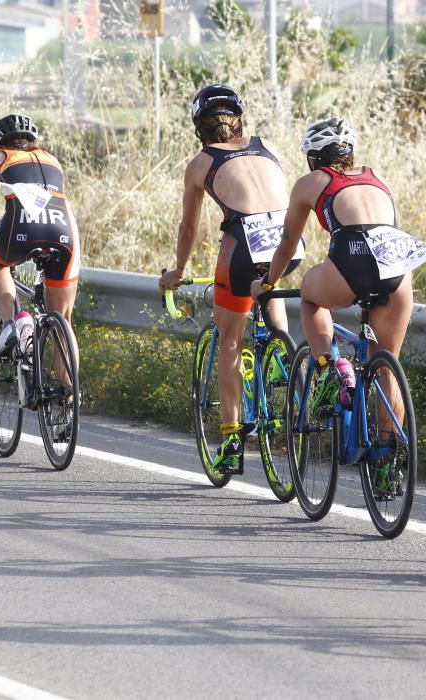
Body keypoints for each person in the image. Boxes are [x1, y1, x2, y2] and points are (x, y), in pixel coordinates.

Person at [251, 117, 426, 426]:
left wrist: (268, 283)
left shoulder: (310, 183)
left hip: (353, 256)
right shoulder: (378, 178)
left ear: (313, 157)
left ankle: (329, 370)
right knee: (387, 367)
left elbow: (287, 243)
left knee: (310, 296)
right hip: (397, 264)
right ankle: (390, 461)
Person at [159, 84, 302, 474]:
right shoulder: (267, 143)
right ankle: (280, 356)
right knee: (268, 286)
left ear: (198, 127)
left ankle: (232, 439)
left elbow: (188, 230)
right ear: (239, 119)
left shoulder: (200, 163)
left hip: (243, 243)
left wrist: (179, 270)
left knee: (230, 341)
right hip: (289, 242)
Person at [0, 113, 81, 432]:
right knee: (62, 318)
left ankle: (18, 322)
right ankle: (67, 405)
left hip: (20, 227)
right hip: (64, 232)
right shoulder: (53, 160)